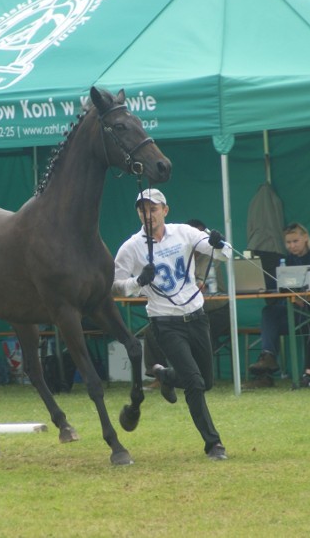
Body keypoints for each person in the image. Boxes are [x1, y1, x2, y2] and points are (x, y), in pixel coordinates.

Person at [112, 188, 230, 461]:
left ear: (165, 210)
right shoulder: (131, 247)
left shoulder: (184, 233)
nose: (148, 214)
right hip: (165, 322)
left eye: (154, 209)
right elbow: (114, 288)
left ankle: (165, 375)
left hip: (197, 317)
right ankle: (214, 444)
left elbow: (224, 255)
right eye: (143, 210)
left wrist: (218, 243)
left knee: (206, 381)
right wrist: (138, 282)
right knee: (195, 383)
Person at [143, 218, 229, 382]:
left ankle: (192, 376)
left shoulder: (209, 254)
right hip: (182, 310)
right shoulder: (175, 254)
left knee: (198, 330)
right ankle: (159, 375)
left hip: (216, 309)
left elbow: (200, 283)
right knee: (153, 328)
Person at [248, 222, 310, 388]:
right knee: (269, 312)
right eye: (288, 242)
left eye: (295, 241)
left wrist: (301, 296)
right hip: (293, 308)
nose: (292, 246)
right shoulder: (287, 260)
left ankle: (307, 375)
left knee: (307, 320)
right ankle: (267, 360)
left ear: (305, 238)